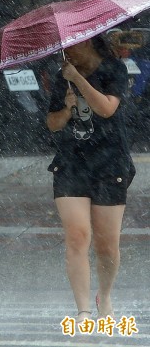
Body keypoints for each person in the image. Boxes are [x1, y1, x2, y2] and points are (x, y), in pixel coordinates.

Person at [46, 35, 135, 324]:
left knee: (106, 246)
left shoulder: (113, 70)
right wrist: (68, 108)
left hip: (110, 161)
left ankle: (104, 294)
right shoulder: (63, 76)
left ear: (88, 43)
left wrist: (80, 81)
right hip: (72, 161)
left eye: (71, 45)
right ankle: (83, 309)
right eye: (63, 47)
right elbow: (53, 123)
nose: (66, 52)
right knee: (77, 236)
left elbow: (107, 109)